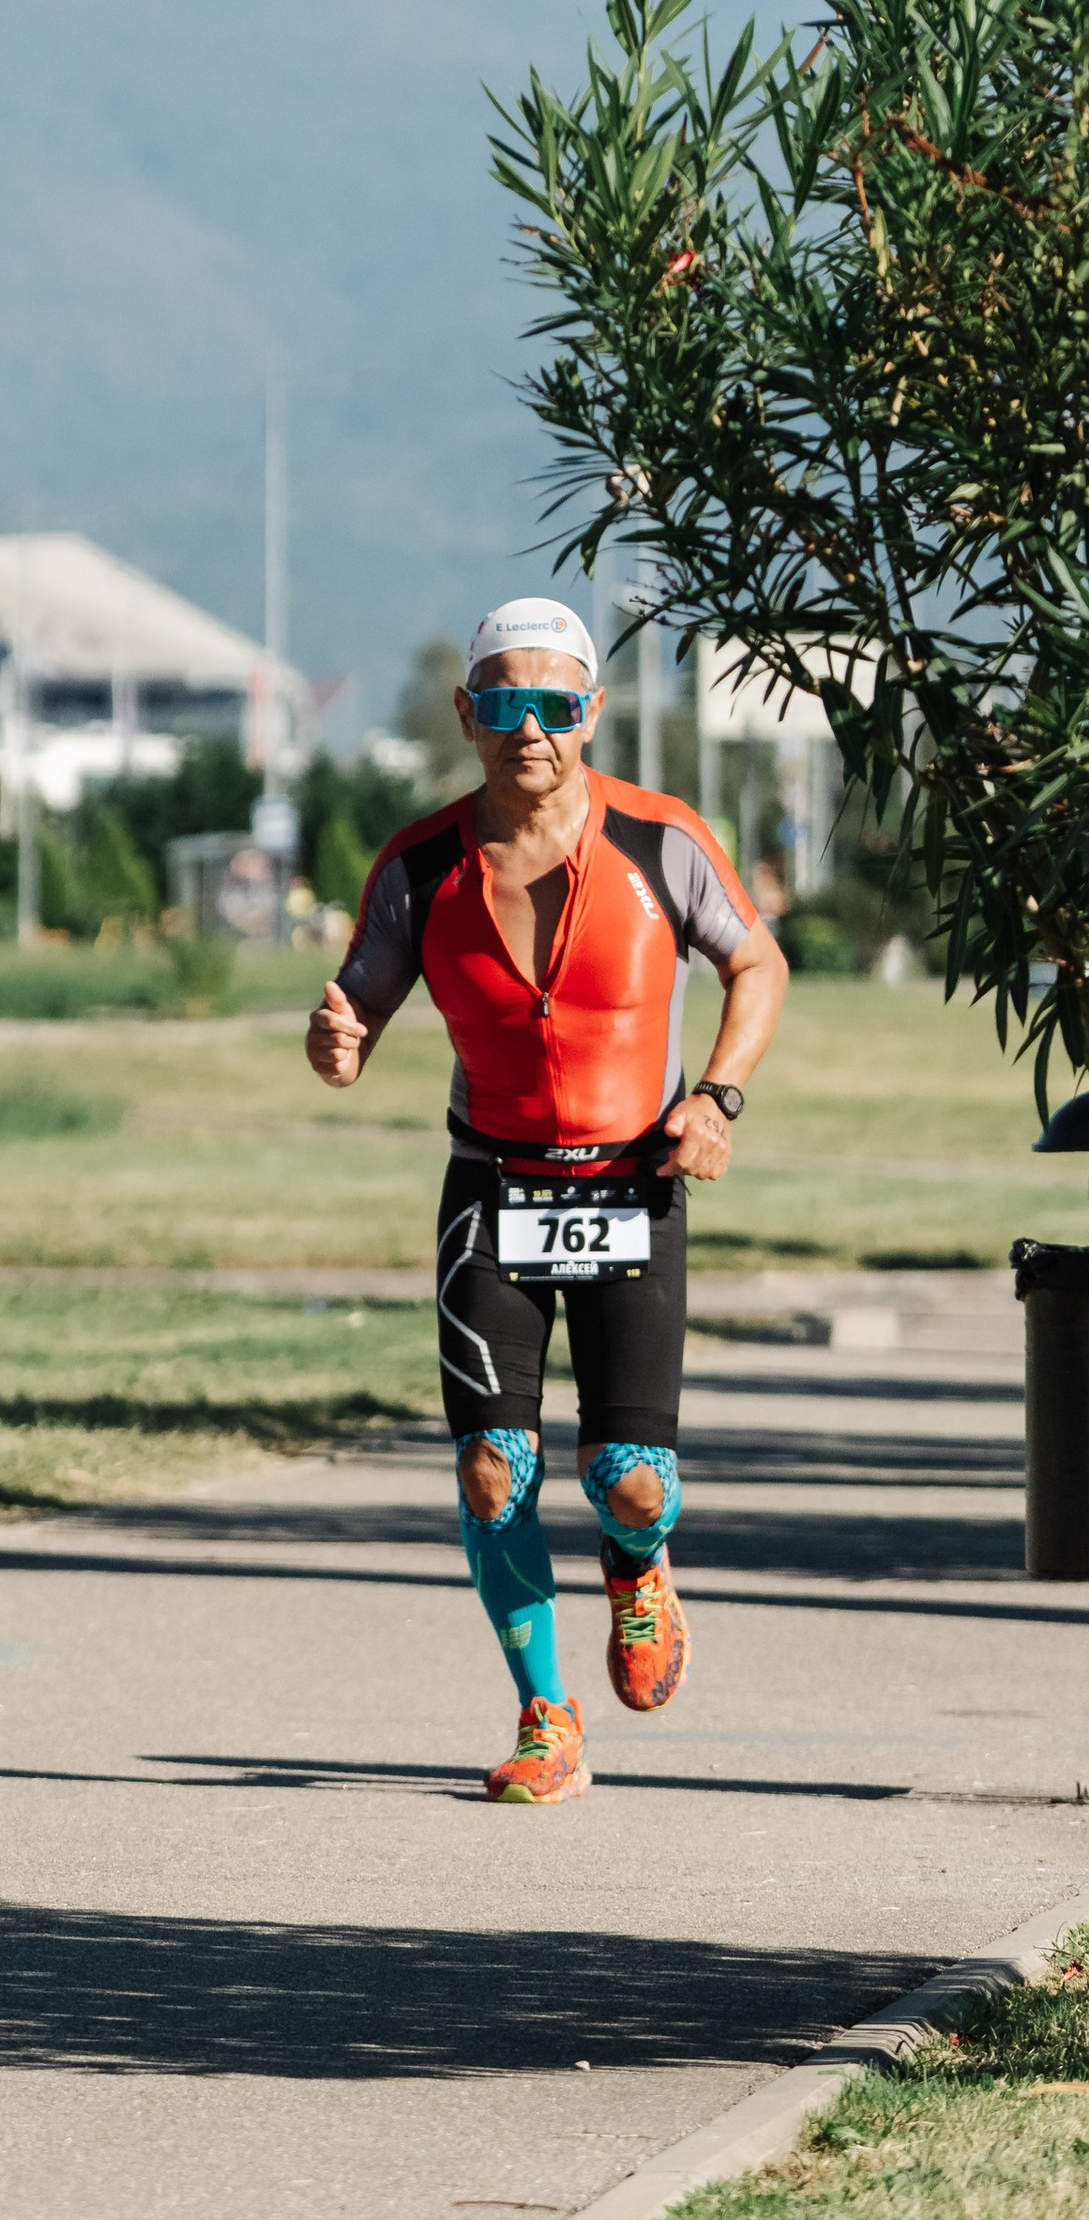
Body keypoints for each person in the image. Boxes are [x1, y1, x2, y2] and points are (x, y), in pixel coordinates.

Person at [307, 598, 788, 1803]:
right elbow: (359, 997)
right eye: (505, 703)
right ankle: (543, 1716)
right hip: (493, 1192)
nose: (531, 728)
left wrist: (717, 1098)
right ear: (467, 713)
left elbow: (755, 960)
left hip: (635, 1183)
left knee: (630, 1474)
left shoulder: (660, 839)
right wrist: (340, 1038)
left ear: (593, 714)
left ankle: (637, 1565)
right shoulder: (422, 863)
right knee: (490, 1468)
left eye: (556, 705)